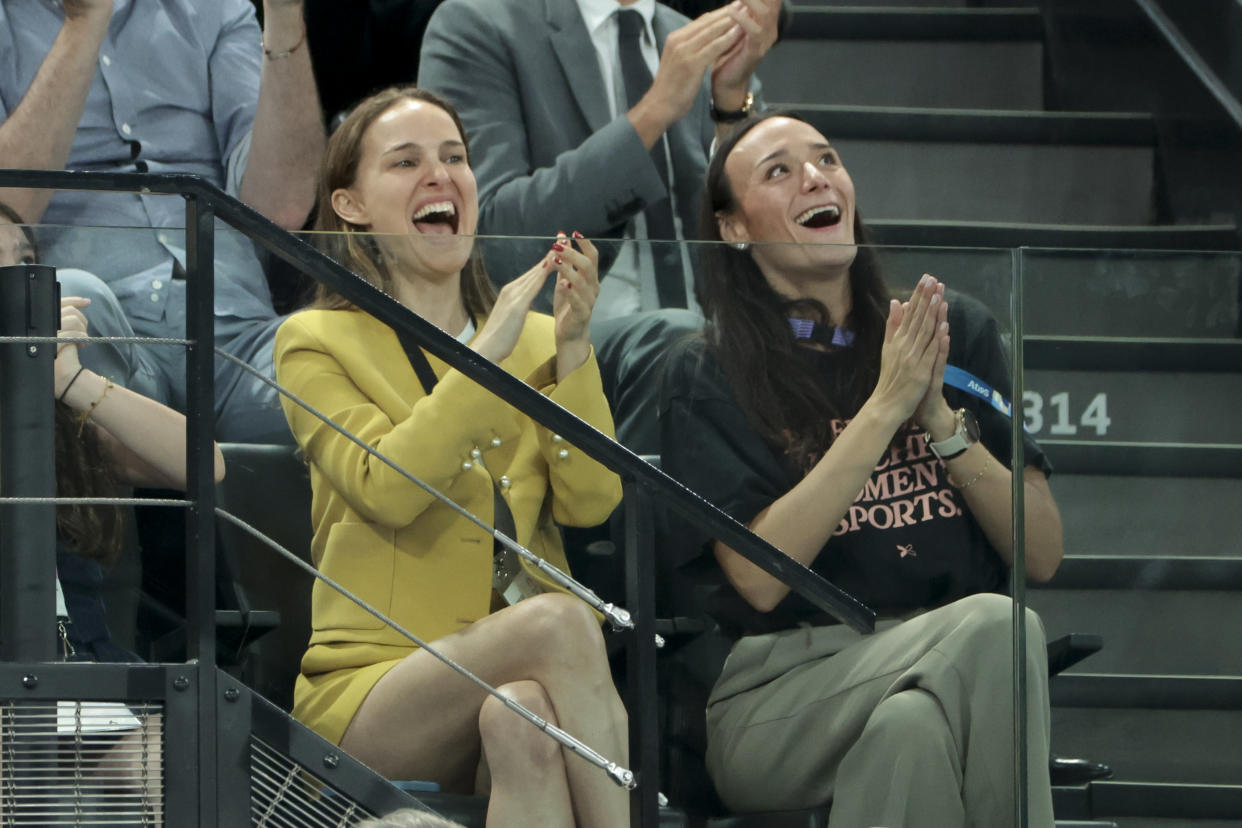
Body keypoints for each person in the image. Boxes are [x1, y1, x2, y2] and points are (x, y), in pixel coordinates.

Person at [658, 113, 1064, 826]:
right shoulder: (709, 371)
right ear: (732, 227)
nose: (815, 176)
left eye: (826, 159)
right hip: (779, 693)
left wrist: (939, 422)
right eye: (778, 171)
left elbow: (1043, 553)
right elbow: (756, 578)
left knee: (908, 732)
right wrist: (885, 409)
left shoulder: (948, 331)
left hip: (941, 663)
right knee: (1001, 630)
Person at [274, 86, 628, 827]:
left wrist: (570, 351)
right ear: (350, 206)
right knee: (565, 623)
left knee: (525, 716)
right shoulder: (314, 341)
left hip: (520, 673)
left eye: (455, 158)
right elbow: (388, 488)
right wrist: (489, 349)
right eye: (406, 162)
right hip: (376, 692)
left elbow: (594, 502)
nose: (440, 176)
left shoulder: (536, 340)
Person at [0, 0, 325, 443]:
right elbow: (8, 214)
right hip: (95, 327)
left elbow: (282, 207)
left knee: (339, 353)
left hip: (234, 327)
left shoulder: (216, 9)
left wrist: (284, 18)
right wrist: (85, 20)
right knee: (66, 302)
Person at [0, 203, 226, 820]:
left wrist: (72, 382)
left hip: (83, 683)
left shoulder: (55, 417)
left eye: (23, 265)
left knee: (184, 764)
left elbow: (204, 467)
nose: (19, 285)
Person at [418, 0, 782, 319]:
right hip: (563, 339)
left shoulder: (703, 41)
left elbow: (768, 231)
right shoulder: (476, 24)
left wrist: (730, 104)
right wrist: (652, 114)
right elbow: (489, 234)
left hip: (715, 336)